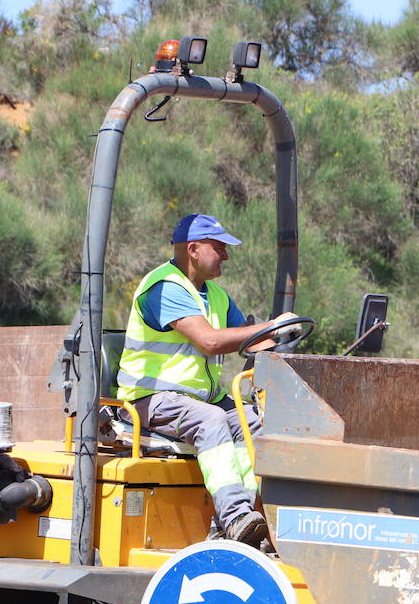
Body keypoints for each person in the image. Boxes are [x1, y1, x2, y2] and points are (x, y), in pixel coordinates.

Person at [116, 213, 295, 547]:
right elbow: (210, 341)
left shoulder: (215, 295)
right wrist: (269, 326)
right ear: (194, 249)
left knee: (254, 421)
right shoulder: (165, 287)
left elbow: (251, 340)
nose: (226, 255)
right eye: (219, 248)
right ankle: (236, 518)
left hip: (195, 400)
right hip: (149, 399)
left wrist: (282, 332)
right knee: (212, 419)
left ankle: (242, 518)